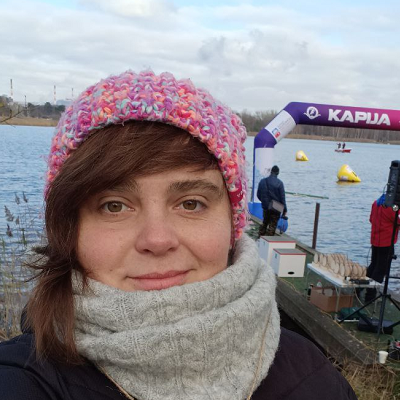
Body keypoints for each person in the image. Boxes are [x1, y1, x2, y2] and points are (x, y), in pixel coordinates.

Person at [0, 70, 357, 400]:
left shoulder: (315, 379)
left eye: (190, 203)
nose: (157, 240)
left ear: (231, 223)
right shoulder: (24, 380)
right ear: (69, 229)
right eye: (114, 206)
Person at [367, 193, 399, 284]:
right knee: (381, 268)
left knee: (374, 264)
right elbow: (398, 220)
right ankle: (372, 290)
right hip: (386, 241)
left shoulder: (376, 203)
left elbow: (371, 219)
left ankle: (364, 287)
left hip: (375, 240)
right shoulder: (393, 207)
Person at [257, 165, 287, 237]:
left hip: (266, 206)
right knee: (272, 226)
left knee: (265, 223)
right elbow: (282, 198)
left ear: (271, 172)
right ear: (278, 173)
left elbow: (258, 195)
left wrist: (264, 201)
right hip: (276, 208)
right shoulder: (280, 183)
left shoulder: (262, 181)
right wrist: (285, 210)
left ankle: (259, 238)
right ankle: (268, 240)